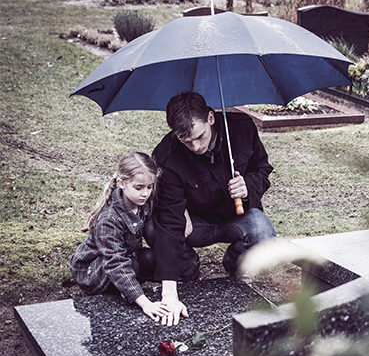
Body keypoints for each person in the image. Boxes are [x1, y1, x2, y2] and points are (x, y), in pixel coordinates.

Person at [149, 91, 276, 326]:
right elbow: (169, 220)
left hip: (238, 218)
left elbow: (263, 169)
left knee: (263, 233)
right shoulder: (167, 155)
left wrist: (248, 186)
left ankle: (235, 262)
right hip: (196, 224)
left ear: (210, 118)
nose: (196, 147)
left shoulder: (242, 128)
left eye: (200, 137)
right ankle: (188, 267)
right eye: (186, 141)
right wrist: (169, 293)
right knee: (152, 227)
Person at [69, 152, 170, 322]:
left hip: (126, 256)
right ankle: (122, 290)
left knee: (150, 259)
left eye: (149, 187)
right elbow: (115, 263)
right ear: (121, 183)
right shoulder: (109, 220)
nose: (145, 193)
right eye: (139, 188)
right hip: (94, 271)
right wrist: (145, 303)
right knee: (130, 266)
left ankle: (126, 286)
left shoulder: (142, 202)